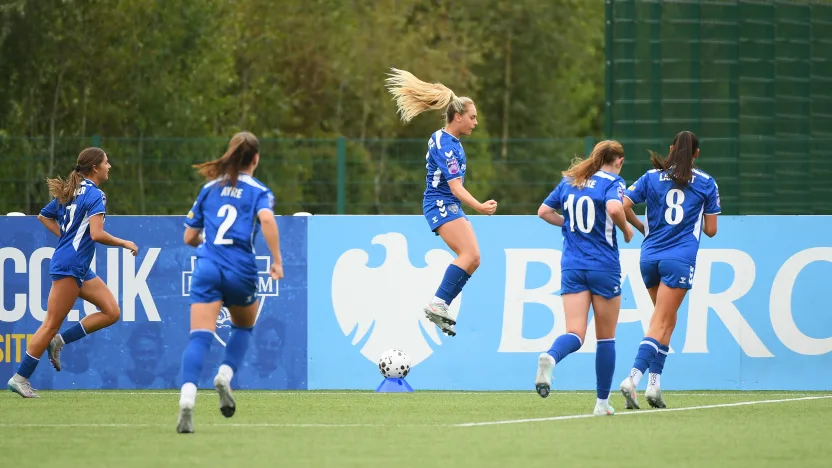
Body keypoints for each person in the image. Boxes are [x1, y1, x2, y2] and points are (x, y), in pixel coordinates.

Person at [7, 147, 138, 398]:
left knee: (111, 311)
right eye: (106, 162)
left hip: (77, 265)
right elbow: (96, 234)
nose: (109, 166)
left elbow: (43, 216)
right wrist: (124, 243)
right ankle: (20, 378)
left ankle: (59, 341)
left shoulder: (71, 190)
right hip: (70, 265)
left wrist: (66, 237)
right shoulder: (96, 195)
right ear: (95, 168)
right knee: (50, 324)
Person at [177, 131, 283, 434]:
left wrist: (209, 243)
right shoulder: (259, 190)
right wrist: (277, 260)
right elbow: (267, 219)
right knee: (243, 327)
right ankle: (224, 374)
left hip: (208, 267)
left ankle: (187, 397)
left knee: (199, 337)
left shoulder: (209, 189)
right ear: (256, 159)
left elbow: (189, 237)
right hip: (241, 269)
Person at [385, 68, 498, 337]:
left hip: (448, 204)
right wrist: (480, 207)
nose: (475, 122)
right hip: (440, 203)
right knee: (469, 255)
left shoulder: (452, 142)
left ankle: (441, 304)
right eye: (472, 117)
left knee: (474, 259)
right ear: (457, 117)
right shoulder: (445, 144)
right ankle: (438, 302)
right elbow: (456, 188)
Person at [618, 130, 720, 409]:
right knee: (661, 321)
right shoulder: (706, 182)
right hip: (679, 259)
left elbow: (623, 204)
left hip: (649, 256)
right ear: (696, 153)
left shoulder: (651, 177)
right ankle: (633, 378)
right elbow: (711, 230)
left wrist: (641, 227)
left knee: (666, 319)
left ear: (672, 149)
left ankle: (655, 385)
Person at [533, 140, 633, 416]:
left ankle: (551, 356)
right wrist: (626, 229)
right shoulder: (613, 182)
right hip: (603, 266)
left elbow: (543, 212)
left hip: (572, 265)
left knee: (575, 333)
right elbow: (615, 209)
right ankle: (602, 403)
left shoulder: (571, 180)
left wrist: (568, 224)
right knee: (606, 339)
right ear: (619, 161)